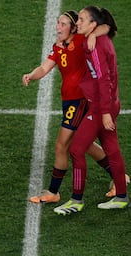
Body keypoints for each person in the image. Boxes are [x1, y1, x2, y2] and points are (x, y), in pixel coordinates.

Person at [23, 11, 120, 207]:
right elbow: (44, 68)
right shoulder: (58, 47)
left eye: (63, 24)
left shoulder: (81, 40)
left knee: (62, 144)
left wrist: (92, 34)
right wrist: (31, 75)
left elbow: (107, 27)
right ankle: (119, 177)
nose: (58, 27)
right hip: (69, 100)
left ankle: (53, 191)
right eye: (58, 23)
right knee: (84, 144)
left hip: (80, 100)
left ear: (74, 27)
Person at [54, 6, 128, 214]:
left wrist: (104, 112)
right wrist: (95, 32)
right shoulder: (98, 38)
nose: (78, 22)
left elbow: (103, 80)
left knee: (77, 149)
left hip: (101, 105)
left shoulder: (95, 47)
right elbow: (108, 26)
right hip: (108, 102)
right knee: (112, 149)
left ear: (93, 24)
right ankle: (121, 196)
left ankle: (76, 201)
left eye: (83, 20)